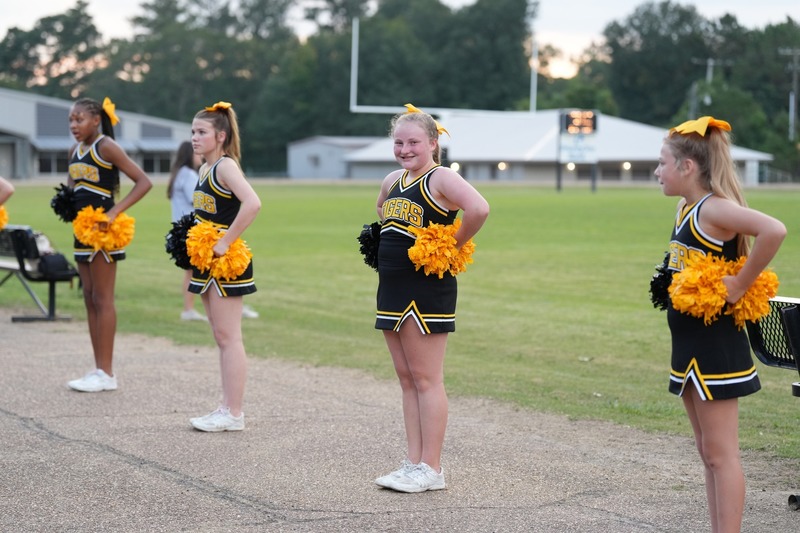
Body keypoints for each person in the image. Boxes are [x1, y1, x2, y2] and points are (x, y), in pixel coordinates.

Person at [655, 116, 786, 533]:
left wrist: (739, 283)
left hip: (716, 347)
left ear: (686, 167)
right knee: (707, 452)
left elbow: (774, 230)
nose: (657, 172)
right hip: (690, 345)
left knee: (722, 454)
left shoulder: (715, 208)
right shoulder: (686, 208)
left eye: (662, 163)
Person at [372, 105, 489, 493]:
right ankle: (412, 462)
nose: (405, 149)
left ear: (433, 144)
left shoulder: (440, 178)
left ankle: (432, 468)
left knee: (425, 378)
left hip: (426, 287)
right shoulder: (393, 180)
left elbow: (479, 208)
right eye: (399, 142)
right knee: (406, 379)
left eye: (413, 142)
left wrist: (451, 245)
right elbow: (382, 212)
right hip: (391, 287)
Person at [66, 97, 153, 392]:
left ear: (95, 120)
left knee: (103, 298)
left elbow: (143, 182)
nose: (73, 125)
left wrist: (114, 212)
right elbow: (71, 189)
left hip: (104, 233)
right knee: (88, 296)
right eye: (71, 120)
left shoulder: (106, 147)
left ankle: (107, 372)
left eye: (79, 119)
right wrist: (64, 201)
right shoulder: (74, 151)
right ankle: (97, 369)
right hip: (82, 231)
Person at [188, 101, 261, 432]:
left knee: (230, 337)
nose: (194, 138)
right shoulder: (204, 169)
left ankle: (233, 413)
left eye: (201, 132)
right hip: (206, 260)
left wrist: (225, 241)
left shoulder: (225, 167)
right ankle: (226, 408)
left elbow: (253, 203)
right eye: (192, 132)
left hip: (226, 261)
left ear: (220, 136)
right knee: (220, 335)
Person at [168, 141, 206, 321]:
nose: (201, 156)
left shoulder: (178, 175)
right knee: (194, 272)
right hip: (190, 230)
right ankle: (189, 309)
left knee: (190, 272)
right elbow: (199, 202)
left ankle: (189, 308)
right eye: (197, 153)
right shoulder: (190, 175)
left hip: (179, 230)